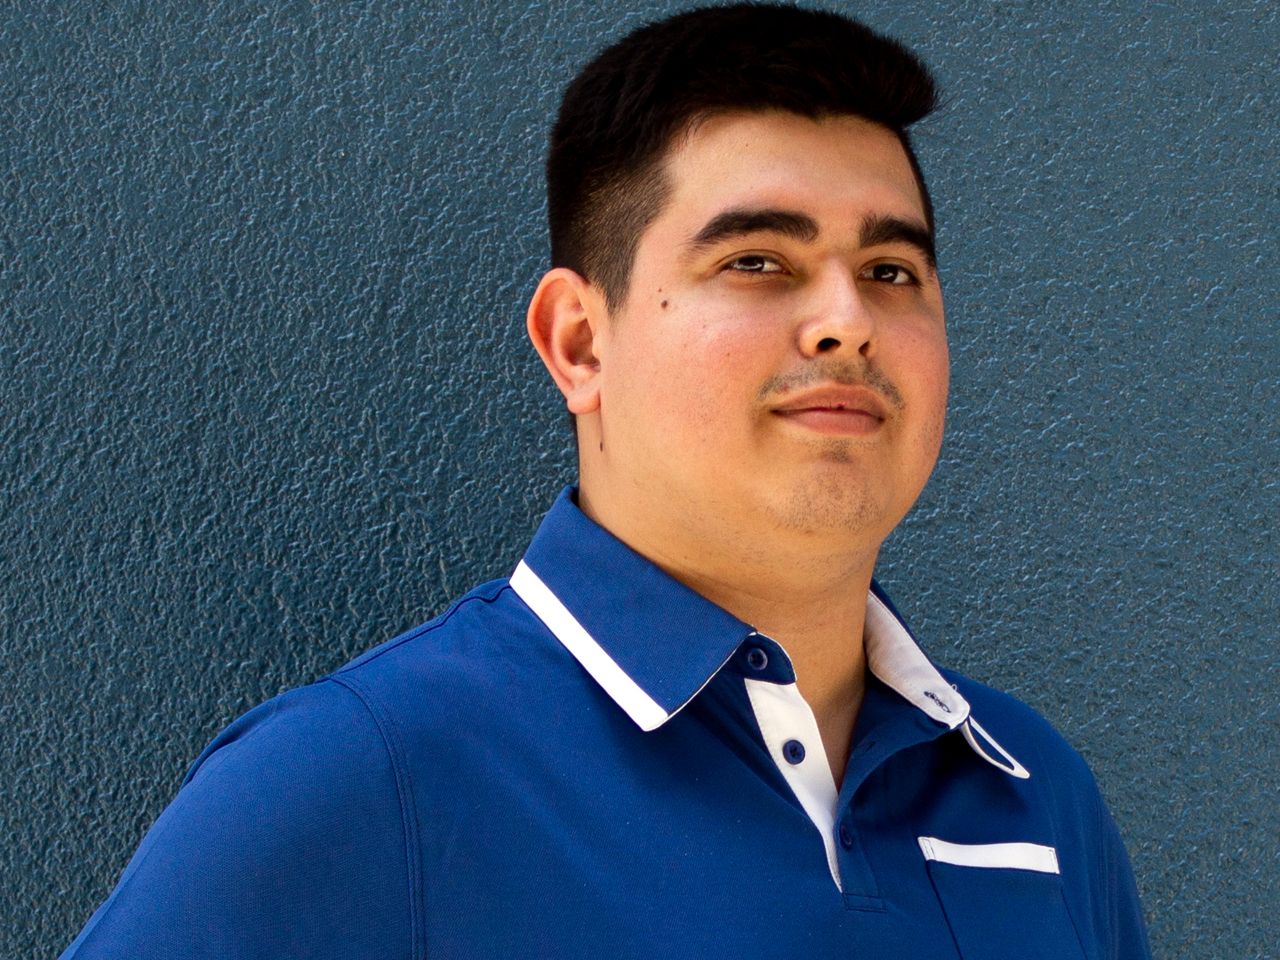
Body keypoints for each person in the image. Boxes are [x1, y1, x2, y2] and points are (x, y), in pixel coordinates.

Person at [60, 5, 1151, 958]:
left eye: (889, 271)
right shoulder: (361, 781)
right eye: (756, 261)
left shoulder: (1033, 790)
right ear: (578, 343)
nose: (846, 321)